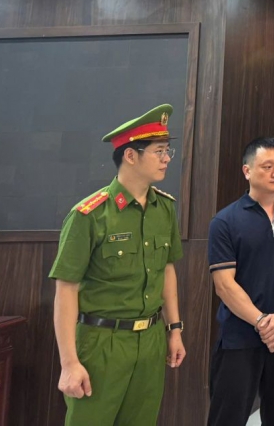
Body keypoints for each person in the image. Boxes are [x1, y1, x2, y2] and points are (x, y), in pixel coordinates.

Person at [49, 104, 186, 425]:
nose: (167, 158)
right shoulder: (89, 215)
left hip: (151, 340)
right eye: (159, 151)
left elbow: (167, 270)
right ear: (130, 156)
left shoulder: (164, 209)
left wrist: (175, 329)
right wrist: (69, 363)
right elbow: (66, 289)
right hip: (101, 342)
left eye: (168, 151)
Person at [207, 137, 274, 426]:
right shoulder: (225, 222)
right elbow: (224, 285)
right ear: (247, 171)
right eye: (267, 166)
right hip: (239, 336)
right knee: (228, 418)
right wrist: (263, 322)